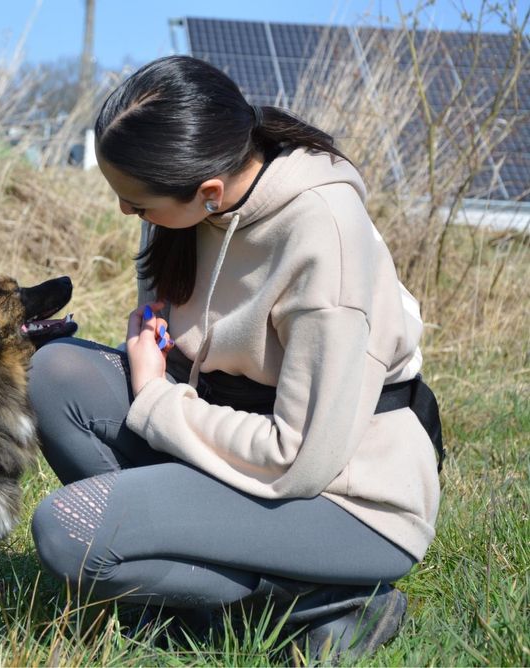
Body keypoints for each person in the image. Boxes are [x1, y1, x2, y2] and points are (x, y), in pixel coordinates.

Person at [29, 55, 442, 660]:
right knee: (50, 373)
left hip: (340, 497)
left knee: (69, 530)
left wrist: (155, 399)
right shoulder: (192, 203)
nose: (127, 213)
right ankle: (214, 590)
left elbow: (299, 459)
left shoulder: (322, 236)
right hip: (224, 439)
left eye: (138, 204)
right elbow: (173, 335)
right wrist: (157, 351)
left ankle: (327, 600)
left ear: (209, 191)